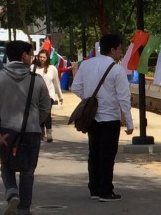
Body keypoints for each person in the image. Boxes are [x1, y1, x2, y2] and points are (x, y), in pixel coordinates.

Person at [0, 40, 51, 215]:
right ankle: (24, 209)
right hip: (31, 132)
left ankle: (11, 193)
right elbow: (45, 107)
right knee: (28, 170)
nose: (32, 58)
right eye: (30, 55)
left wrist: (2, 119)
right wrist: (35, 121)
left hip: (7, 130)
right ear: (23, 55)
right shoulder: (36, 80)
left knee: (6, 165)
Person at [71, 33, 134, 201]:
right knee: (107, 154)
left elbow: (75, 87)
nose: (121, 52)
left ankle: (94, 189)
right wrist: (129, 122)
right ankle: (106, 190)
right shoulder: (117, 69)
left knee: (94, 152)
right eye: (120, 48)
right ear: (113, 49)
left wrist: (90, 99)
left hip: (92, 117)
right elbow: (123, 98)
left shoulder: (85, 65)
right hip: (110, 117)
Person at [31, 49, 64, 142]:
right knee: (38, 113)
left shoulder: (52, 68)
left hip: (49, 95)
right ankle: (41, 132)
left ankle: (49, 132)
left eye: (44, 57)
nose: (42, 59)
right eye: (40, 57)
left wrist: (60, 96)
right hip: (36, 95)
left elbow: (56, 83)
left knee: (47, 113)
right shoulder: (33, 67)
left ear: (47, 58)